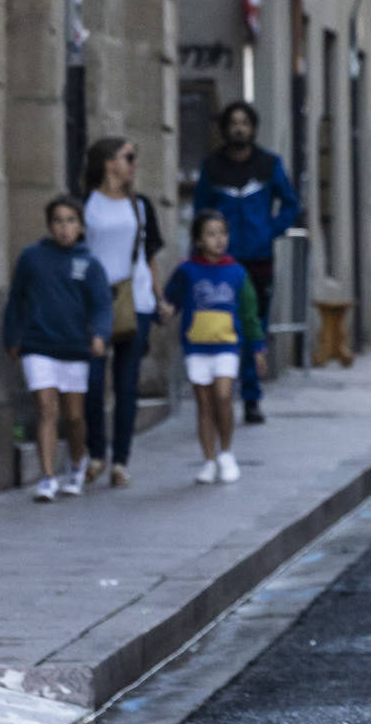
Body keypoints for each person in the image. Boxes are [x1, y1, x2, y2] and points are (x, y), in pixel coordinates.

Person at [193, 101, 299, 424]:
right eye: (233, 123)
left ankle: (251, 398)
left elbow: (291, 204)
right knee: (222, 327)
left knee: (255, 329)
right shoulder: (212, 167)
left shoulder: (269, 164)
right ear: (225, 128)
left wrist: (270, 231)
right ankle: (220, 394)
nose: (239, 128)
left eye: (245, 123)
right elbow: (201, 210)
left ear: (253, 128)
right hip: (220, 264)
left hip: (258, 261)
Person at [4, 196, 112, 501]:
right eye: (58, 221)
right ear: (49, 225)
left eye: (70, 221)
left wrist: (100, 334)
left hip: (75, 348)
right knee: (45, 409)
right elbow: (16, 299)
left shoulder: (90, 264)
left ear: (80, 226)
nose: (64, 228)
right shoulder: (32, 257)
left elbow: (102, 304)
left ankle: (76, 465)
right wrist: (12, 337)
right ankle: (47, 477)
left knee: (74, 417)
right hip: (38, 346)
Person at [81, 137, 165, 488]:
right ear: (108, 162)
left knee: (127, 383)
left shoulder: (140, 205)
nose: (134, 163)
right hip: (96, 302)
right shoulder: (87, 204)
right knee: (94, 381)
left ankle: (121, 462)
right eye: (128, 157)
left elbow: (149, 257)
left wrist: (160, 299)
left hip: (137, 300)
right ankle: (97, 452)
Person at [161, 210, 267, 486]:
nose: (218, 240)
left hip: (227, 345)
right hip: (196, 347)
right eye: (211, 234)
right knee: (204, 404)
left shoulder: (237, 272)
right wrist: (163, 310)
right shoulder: (187, 270)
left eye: (222, 233)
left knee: (223, 396)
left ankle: (227, 453)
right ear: (198, 240)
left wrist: (257, 347)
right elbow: (171, 300)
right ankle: (208, 459)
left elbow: (249, 313)